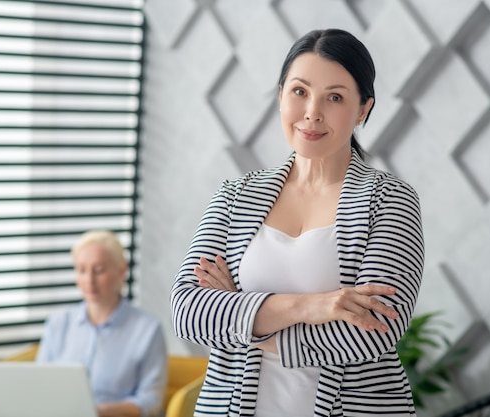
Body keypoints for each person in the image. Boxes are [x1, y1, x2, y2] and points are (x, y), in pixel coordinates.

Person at [171, 28, 424, 417]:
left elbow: (373, 332)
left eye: (334, 97)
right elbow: (188, 310)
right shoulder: (235, 194)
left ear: (363, 110)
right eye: (299, 91)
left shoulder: (390, 199)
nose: (312, 112)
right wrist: (313, 307)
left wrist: (242, 317)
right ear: (280, 95)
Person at [37, 230, 167, 417]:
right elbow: (40, 384)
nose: (89, 280)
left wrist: (98, 412)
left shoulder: (148, 329)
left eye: (99, 270)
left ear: (121, 271)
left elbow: (151, 401)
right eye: (82, 270)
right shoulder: (58, 323)